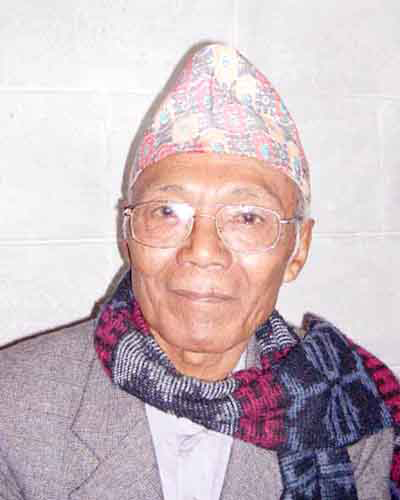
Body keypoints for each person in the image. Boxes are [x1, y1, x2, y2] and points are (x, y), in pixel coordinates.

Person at [0, 43, 399, 500]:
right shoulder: (12, 410)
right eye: (167, 212)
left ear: (298, 249)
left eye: (247, 217)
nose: (203, 251)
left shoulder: (350, 410)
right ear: (127, 233)